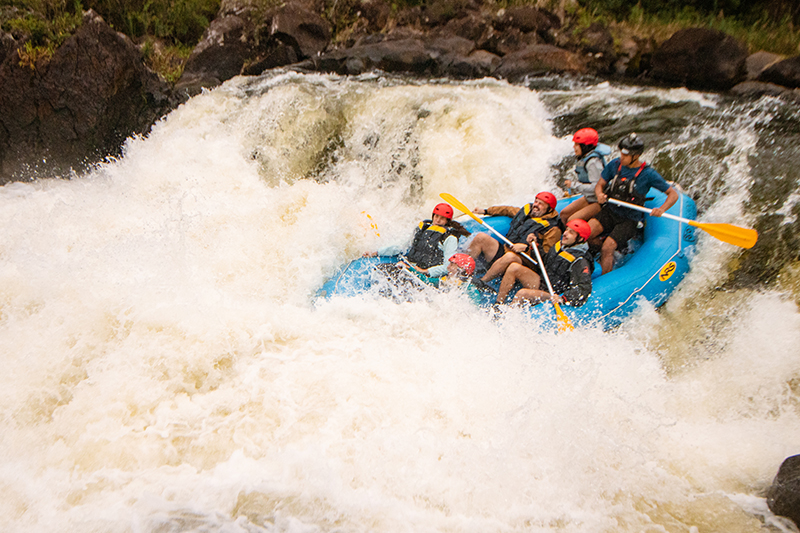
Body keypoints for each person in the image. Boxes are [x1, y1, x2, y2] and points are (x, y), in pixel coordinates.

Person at [589, 133, 679, 274]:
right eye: (621, 153)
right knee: (586, 233)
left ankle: (606, 277)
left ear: (635, 156)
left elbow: (673, 195)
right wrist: (599, 194)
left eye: (625, 155)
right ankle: (603, 249)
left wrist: (661, 209)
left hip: (629, 219)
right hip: (610, 211)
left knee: (608, 247)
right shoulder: (615, 165)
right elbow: (600, 184)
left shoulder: (648, 174)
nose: (621, 157)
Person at [468, 192, 563, 287]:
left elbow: (546, 257)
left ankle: (481, 283)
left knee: (510, 256)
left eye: (541, 204)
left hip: (525, 261)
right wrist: (485, 211)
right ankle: (464, 269)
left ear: (549, 209)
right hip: (507, 248)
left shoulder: (553, 230)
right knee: (481, 238)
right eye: (536, 201)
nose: (536, 205)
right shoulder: (527, 210)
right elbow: (507, 210)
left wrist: (527, 248)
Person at [496, 219, 594, 307]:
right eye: (567, 230)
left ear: (580, 239)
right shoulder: (560, 245)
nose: (565, 234)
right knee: (514, 267)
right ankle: (498, 304)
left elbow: (584, 287)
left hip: (553, 292)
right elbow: (545, 261)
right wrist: (532, 247)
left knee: (522, 293)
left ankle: (506, 319)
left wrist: (564, 298)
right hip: (544, 282)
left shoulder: (580, 260)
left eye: (571, 233)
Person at [369, 202, 471, 278]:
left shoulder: (449, 238)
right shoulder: (423, 228)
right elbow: (402, 245)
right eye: (436, 216)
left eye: (442, 218)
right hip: (412, 266)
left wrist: (425, 271)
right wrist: (377, 252)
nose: (438, 220)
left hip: (427, 274)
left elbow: (448, 266)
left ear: (447, 221)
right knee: (379, 270)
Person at [560, 128, 609, 225]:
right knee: (564, 214)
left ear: (585, 146)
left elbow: (597, 187)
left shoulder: (593, 162)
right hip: (589, 197)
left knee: (572, 221)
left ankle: (578, 238)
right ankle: (568, 237)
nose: (574, 147)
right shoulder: (585, 158)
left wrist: (574, 185)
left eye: (577, 145)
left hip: (599, 201)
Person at [402, 253, 482, 304]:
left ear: (461, 269)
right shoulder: (445, 281)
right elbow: (427, 281)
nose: (448, 267)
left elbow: (474, 311)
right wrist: (409, 268)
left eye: (451, 265)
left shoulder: (470, 290)